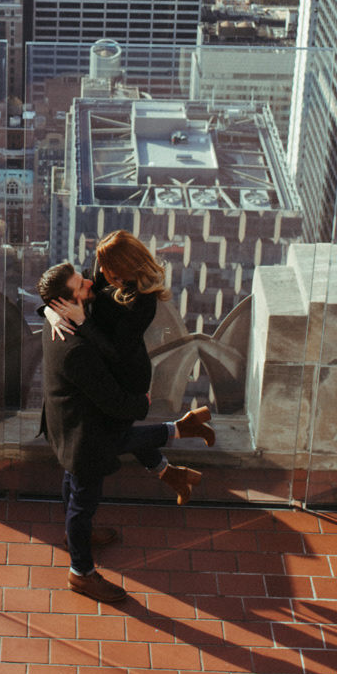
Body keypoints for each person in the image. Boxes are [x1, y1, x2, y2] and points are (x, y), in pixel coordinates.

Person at [38, 239, 214, 603]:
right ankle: (81, 573)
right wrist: (139, 404)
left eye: (105, 271)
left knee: (83, 473)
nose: (95, 276)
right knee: (83, 496)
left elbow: (114, 349)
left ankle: (77, 534)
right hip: (87, 419)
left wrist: (67, 316)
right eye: (87, 279)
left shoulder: (134, 302)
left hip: (85, 407)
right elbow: (115, 401)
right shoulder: (75, 345)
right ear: (66, 302)